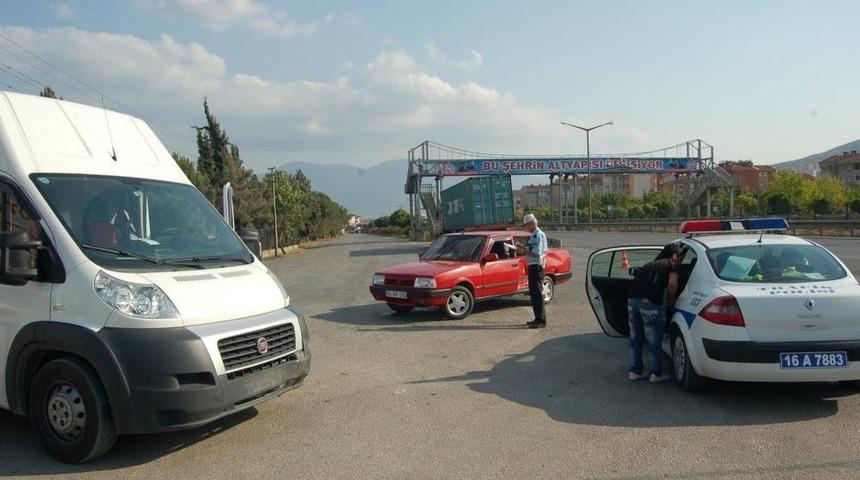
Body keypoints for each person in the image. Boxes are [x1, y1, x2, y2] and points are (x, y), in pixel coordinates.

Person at [626, 242, 682, 383]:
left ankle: (635, 372)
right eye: (679, 256)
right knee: (653, 340)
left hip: (632, 301)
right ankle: (656, 374)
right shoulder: (671, 264)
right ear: (674, 255)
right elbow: (673, 283)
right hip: (650, 304)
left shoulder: (650, 264)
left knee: (635, 339)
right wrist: (672, 299)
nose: (680, 259)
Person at [518, 213, 548, 329]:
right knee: (534, 294)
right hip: (534, 266)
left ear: (532, 223)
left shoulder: (538, 235)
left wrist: (523, 250)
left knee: (537, 294)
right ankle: (537, 318)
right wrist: (522, 247)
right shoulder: (534, 234)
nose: (526, 228)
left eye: (526, 225)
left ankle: (541, 320)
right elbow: (531, 247)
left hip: (537, 266)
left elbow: (537, 253)